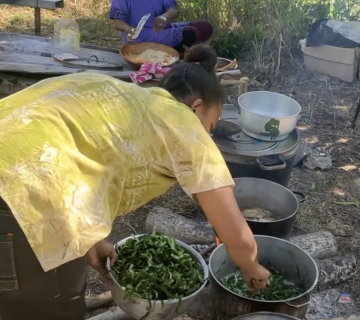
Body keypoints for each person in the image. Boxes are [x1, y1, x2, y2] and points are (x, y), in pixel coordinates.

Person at [0, 49, 270, 320]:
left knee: (37, 302)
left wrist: (87, 238)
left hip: (18, 175)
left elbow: (72, 149)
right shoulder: (183, 123)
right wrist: (252, 268)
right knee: (50, 310)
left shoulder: (117, 93)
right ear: (197, 107)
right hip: (17, 193)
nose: (207, 135)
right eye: (211, 125)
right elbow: (238, 237)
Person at [110, 0, 213, 51]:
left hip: (163, 29)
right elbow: (118, 22)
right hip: (140, 37)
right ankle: (180, 52)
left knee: (205, 27)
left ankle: (180, 49)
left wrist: (164, 17)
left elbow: (173, 11)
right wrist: (129, 29)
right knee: (190, 33)